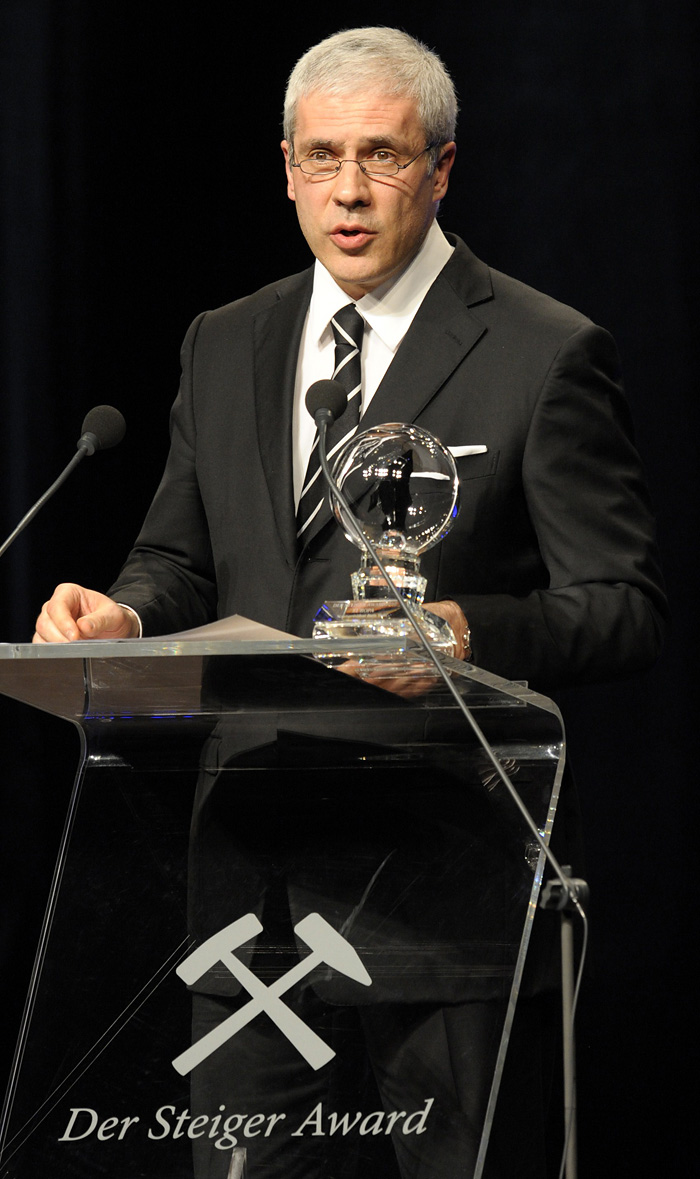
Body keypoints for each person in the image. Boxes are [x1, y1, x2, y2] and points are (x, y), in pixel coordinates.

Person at [33, 26, 666, 1178]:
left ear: (442, 168)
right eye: (322, 158)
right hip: (249, 896)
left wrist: (468, 636)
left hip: (448, 897)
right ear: (284, 167)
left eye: (382, 155)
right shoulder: (225, 342)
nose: (350, 191)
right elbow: (178, 559)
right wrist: (124, 615)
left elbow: (622, 604)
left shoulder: (543, 351)